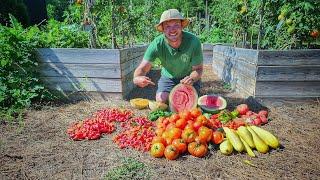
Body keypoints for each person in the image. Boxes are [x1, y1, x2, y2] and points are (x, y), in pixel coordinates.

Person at [133, 9, 203, 103]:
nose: (172, 30)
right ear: (163, 29)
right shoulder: (157, 44)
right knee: (161, 100)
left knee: (189, 102)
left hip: (188, 77)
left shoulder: (193, 41)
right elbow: (143, 68)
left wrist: (192, 78)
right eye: (167, 26)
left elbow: (198, 69)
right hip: (168, 77)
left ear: (182, 26)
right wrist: (136, 78)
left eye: (176, 25)